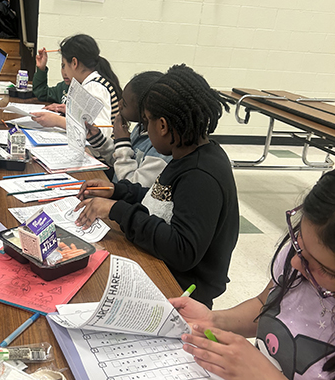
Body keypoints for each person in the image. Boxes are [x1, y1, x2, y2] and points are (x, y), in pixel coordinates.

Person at [74, 64, 239, 308]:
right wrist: (118, 191)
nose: (145, 129)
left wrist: (116, 210)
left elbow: (182, 250)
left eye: (147, 122)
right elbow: (161, 199)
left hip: (180, 291)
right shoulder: (185, 154)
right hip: (159, 265)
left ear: (162, 125)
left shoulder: (201, 175)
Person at [170, 171, 335, 380]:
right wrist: (214, 320)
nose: (295, 263)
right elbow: (265, 304)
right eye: (298, 242)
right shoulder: (299, 259)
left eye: (323, 268)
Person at [86, 71, 172, 187]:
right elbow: (120, 161)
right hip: (117, 194)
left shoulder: (161, 148)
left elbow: (132, 186)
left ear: (144, 113)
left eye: (125, 104)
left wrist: (122, 142)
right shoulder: (140, 128)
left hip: (126, 199)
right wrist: (100, 140)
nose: (119, 104)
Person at [31, 34, 122, 138]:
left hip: (101, 153)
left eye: (64, 65)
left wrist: (57, 121)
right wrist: (71, 111)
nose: (64, 71)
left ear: (74, 63)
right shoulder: (89, 84)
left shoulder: (94, 87)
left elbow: (102, 130)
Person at [32, 47, 70, 113]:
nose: (65, 72)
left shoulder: (89, 88)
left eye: (69, 67)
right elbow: (42, 93)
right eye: (63, 66)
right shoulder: (63, 87)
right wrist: (41, 69)